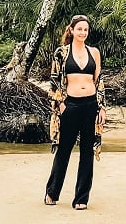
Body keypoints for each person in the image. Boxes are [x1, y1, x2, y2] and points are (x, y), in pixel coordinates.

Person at [44, 14, 106, 210]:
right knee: (64, 150)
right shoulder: (61, 53)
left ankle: (81, 198)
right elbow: (54, 81)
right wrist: (61, 105)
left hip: (90, 106)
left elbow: (99, 81)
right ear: (71, 30)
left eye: (85, 29)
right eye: (79, 29)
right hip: (69, 106)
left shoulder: (94, 52)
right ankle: (52, 192)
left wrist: (102, 106)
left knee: (87, 152)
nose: (83, 33)